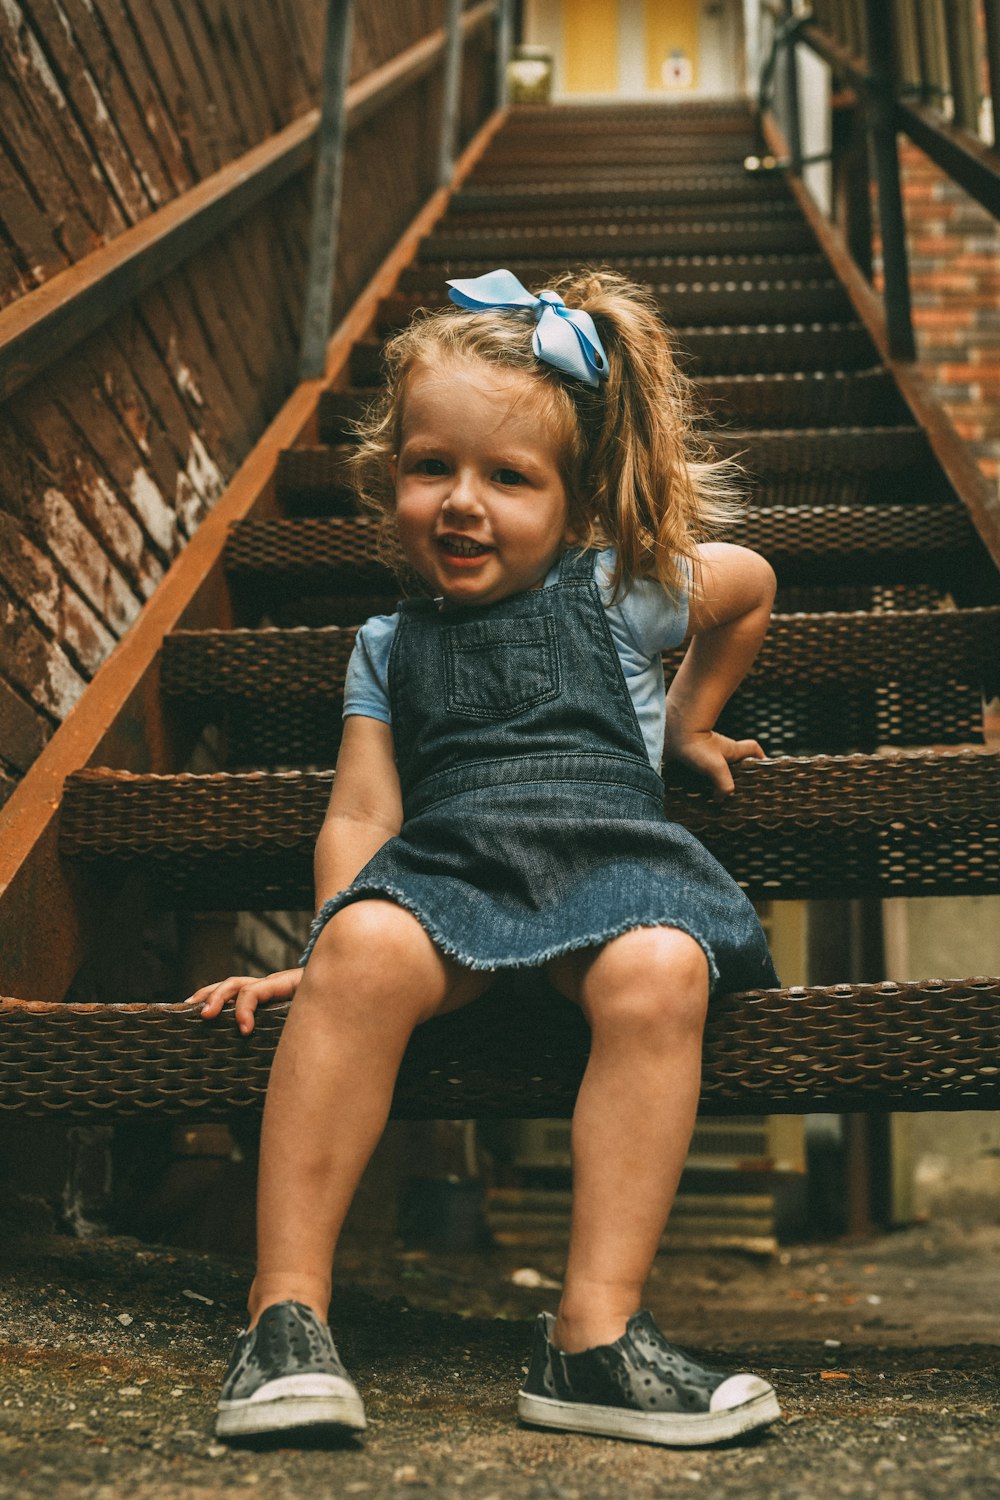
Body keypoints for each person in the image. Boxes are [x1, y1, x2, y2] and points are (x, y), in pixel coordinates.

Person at [193, 267, 782, 1448]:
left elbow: (752, 586)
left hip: (613, 865)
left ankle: (592, 1337)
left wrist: (684, 722)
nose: (462, 503)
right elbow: (362, 814)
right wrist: (328, 949)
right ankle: (285, 1317)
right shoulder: (384, 646)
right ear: (391, 477)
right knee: (364, 939)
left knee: (661, 970)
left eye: (508, 478)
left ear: (571, 502)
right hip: (449, 881)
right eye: (431, 469)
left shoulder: (620, 590)